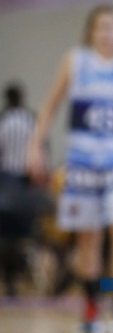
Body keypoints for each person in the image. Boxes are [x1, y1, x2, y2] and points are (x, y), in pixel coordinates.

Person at [27, 4, 113, 333]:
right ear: (91, 30)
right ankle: (90, 307)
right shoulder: (75, 61)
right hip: (83, 160)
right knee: (88, 235)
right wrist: (34, 145)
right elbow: (50, 105)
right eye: (102, 27)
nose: (108, 33)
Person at [0, 84, 39, 296]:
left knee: (7, 236)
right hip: (25, 181)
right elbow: (40, 149)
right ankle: (19, 274)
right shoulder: (29, 120)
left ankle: (10, 278)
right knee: (22, 235)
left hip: (7, 179)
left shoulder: (4, 119)